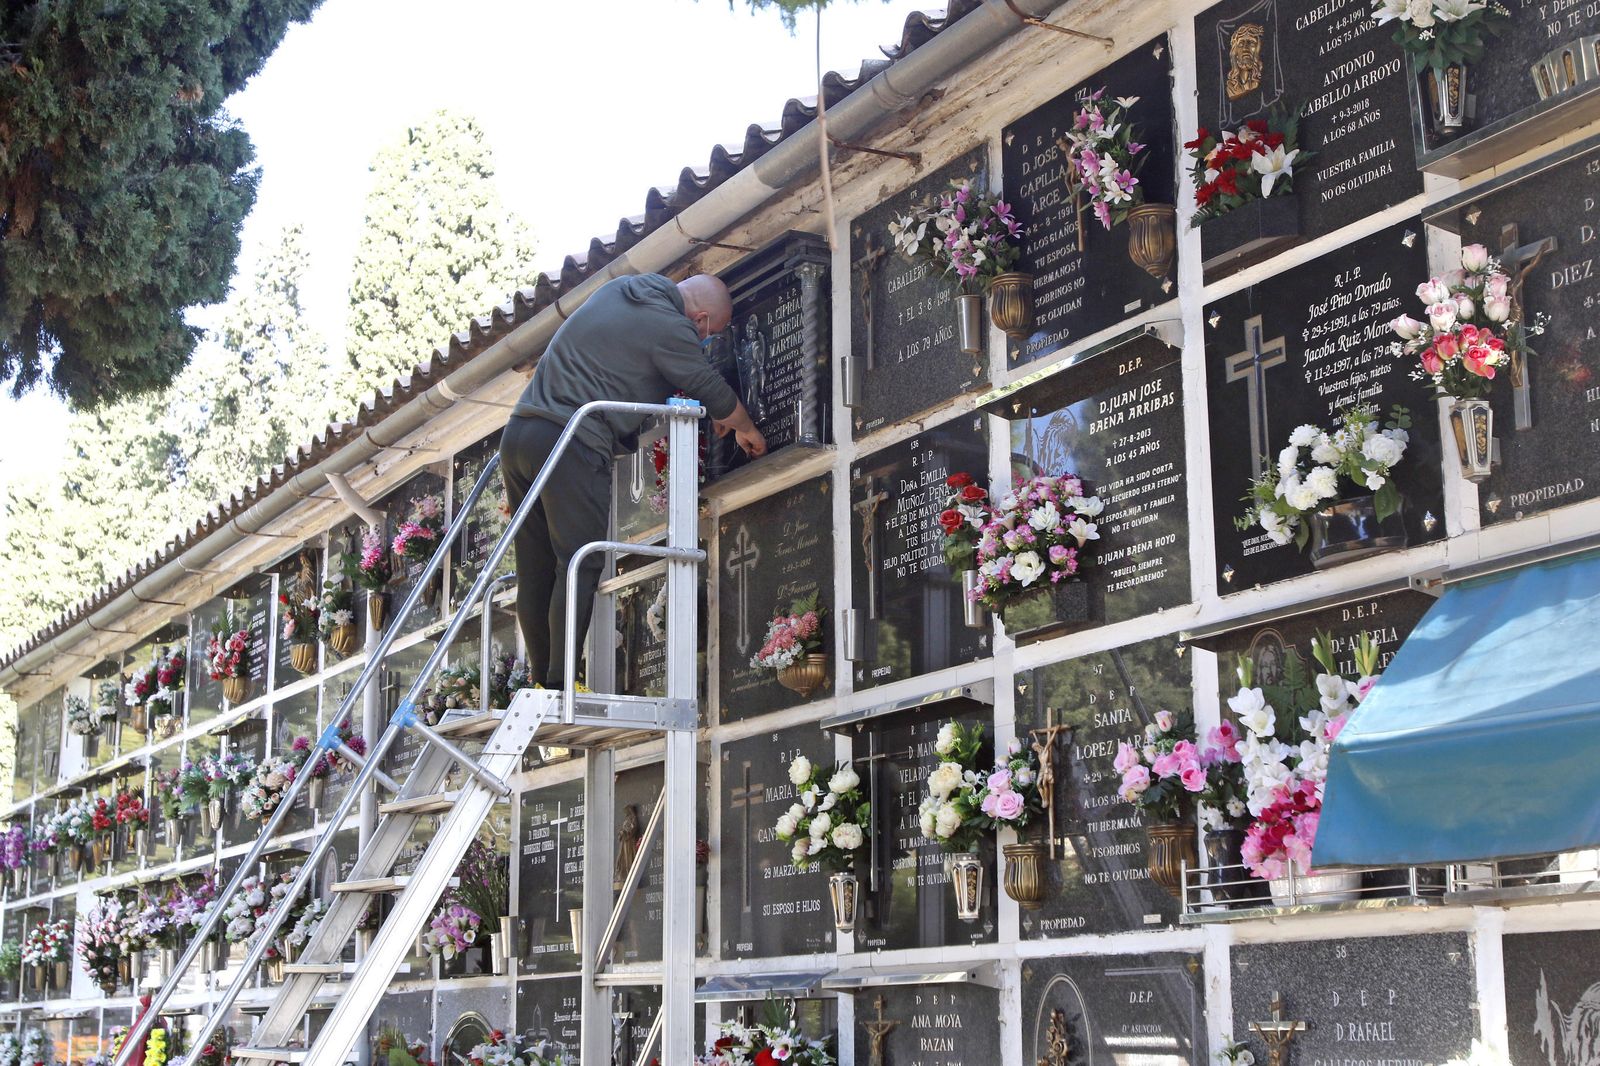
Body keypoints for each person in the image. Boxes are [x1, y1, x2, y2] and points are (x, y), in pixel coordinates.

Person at [501, 272, 767, 688]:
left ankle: (541, 681)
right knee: (580, 561)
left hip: (520, 434)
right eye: (708, 335)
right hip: (569, 440)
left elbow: (644, 365)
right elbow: (705, 383)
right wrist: (743, 425)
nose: (702, 343)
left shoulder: (622, 290)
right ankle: (557, 685)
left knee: (535, 566)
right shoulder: (670, 324)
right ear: (699, 320)